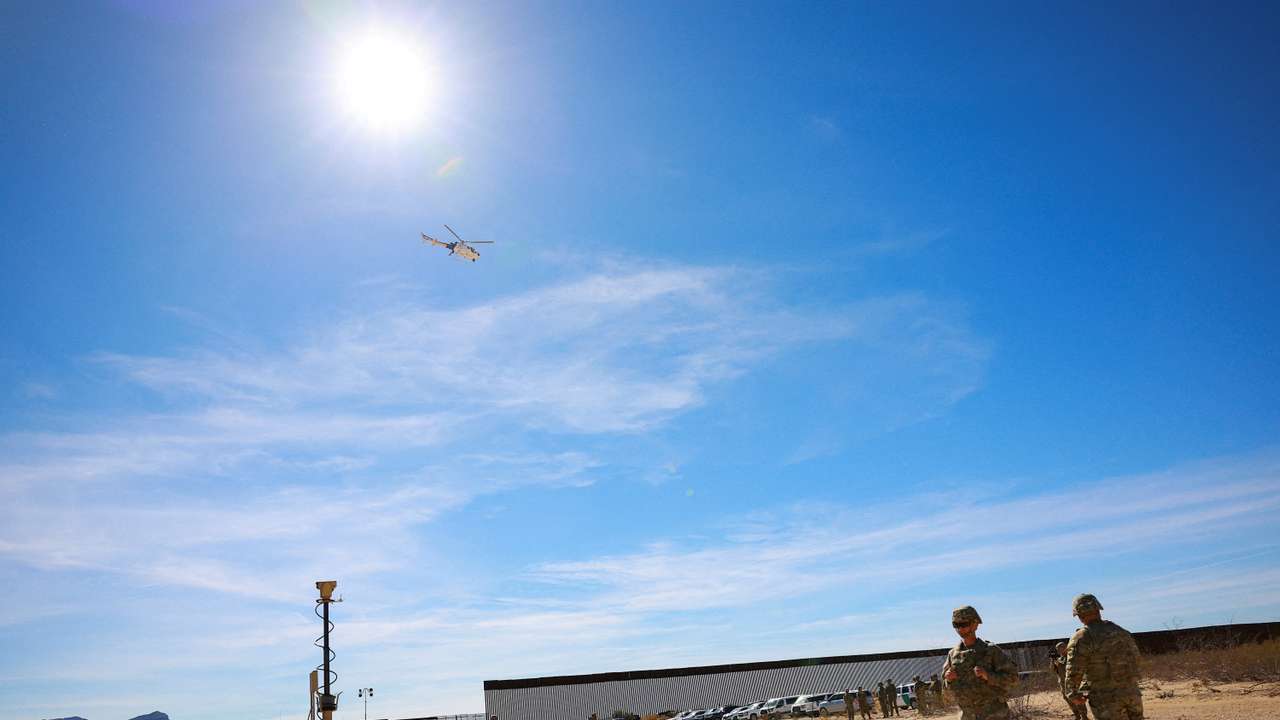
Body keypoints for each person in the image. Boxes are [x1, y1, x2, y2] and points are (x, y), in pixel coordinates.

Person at [1064, 593, 1144, 720]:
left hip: (1106, 699)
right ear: (1098, 609)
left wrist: (1073, 694)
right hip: (1132, 694)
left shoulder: (1083, 637)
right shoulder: (1120, 631)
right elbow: (1137, 660)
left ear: (1079, 615)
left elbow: (1074, 670)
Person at [942, 605, 1019, 720]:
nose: (960, 629)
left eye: (964, 624)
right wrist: (948, 681)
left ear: (975, 624)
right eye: (956, 625)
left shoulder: (991, 650)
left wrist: (988, 676)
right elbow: (945, 695)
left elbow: (1013, 679)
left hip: (995, 715)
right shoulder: (952, 655)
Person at [1051, 641, 1089, 719]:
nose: (1059, 651)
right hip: (1063, 683)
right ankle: (1077, 716)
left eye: (1061, 648)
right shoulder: (1058, 659)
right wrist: (1052, 661)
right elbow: (1053, 670)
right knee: (1068, 700)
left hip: (1073, 683)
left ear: (1066, 648)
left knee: (1077, 699)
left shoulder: (1072, 657)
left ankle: (1084, 716)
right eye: (1058, 649)